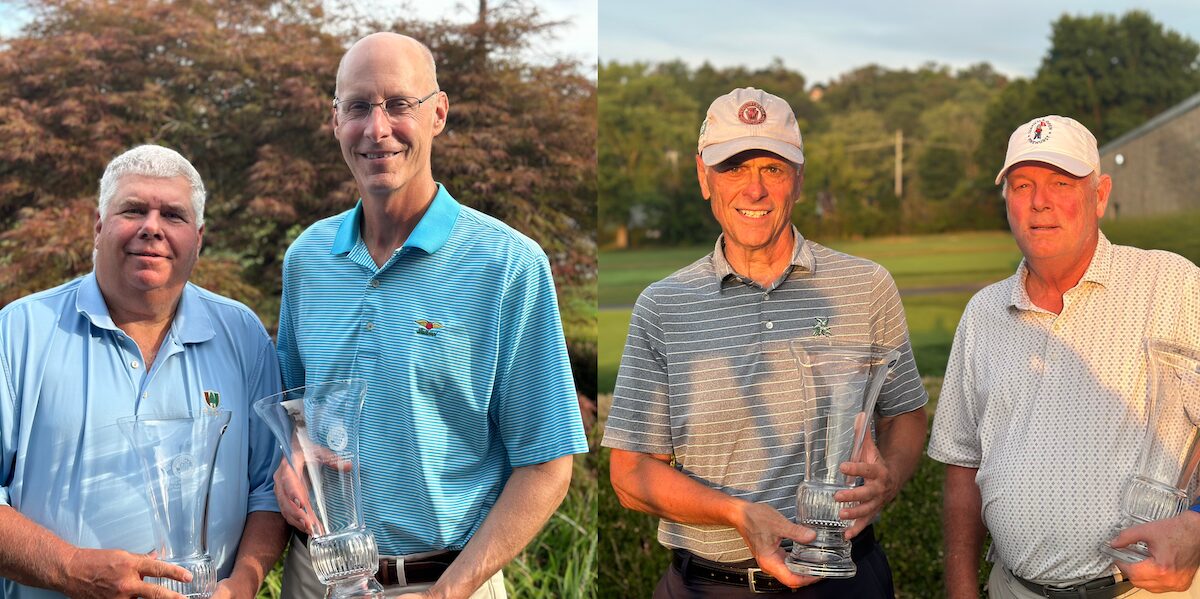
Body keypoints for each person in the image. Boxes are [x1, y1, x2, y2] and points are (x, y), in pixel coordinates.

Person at [273, 32, 588, 598]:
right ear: (334, 120)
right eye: (358, 107)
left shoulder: (507, 264)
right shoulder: (307, 262)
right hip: (316, 581)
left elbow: (547, 467)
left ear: (437, 113)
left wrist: (449, 592)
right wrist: (289, 456)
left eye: (399, 104)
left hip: (450, 582)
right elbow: (290, 414)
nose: (377, 128)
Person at [602, 87, 929, 598]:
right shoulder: (663, 305)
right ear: (703, 177)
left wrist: (887, 480)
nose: (753, 190)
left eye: (772, 169)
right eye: (733, 168)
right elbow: (629, 474)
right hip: (707, 586)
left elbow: (905, 416)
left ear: (798, 179)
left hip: (842, 579)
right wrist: (737, 515)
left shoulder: (865, 286)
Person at [928, 115, 1200, 598]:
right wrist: (961, 590)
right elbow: (962, 465)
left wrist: (1197, 527)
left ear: (1100, 195)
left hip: (1147, 592)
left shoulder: (1171, 285)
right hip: (1014, 589)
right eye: (1022, 184)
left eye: (1061, 182)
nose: (1039, 202)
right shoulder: (983, 314)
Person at [0, 145, 288, 598]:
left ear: (199, 239)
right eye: (133, 210)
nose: (151, 228)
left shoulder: (244, 336)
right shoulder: (19, 332)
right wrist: (70, 567)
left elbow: (268, 489)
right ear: (99, 227)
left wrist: (245, 583)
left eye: (172, 215)